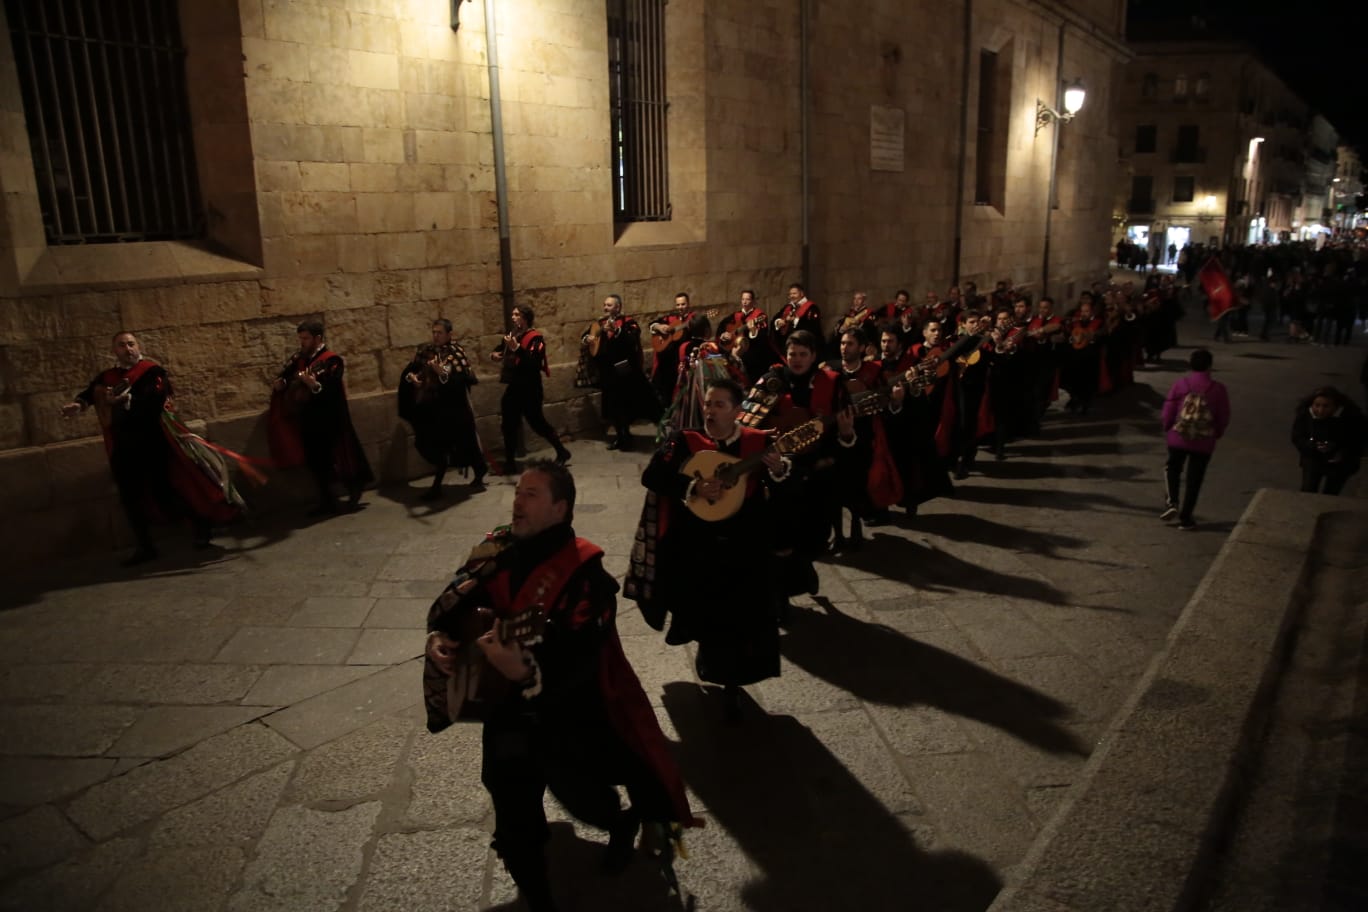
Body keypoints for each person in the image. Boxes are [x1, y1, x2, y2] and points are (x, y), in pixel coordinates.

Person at [423, 461, 697, 912]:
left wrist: (526, 674)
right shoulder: (496, 549)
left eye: (531, 494)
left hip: (569, 713)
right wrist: (441, 637)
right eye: (517, 492)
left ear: (559, 508)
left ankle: (619, 823)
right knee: (508, 799)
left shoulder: (587, 576)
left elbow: (580, 665)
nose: (517, 501)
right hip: (506, 712)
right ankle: (538, 895)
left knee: (583, 797)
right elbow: (454, 603)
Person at [638, 380, 788, 719]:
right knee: (711, 617)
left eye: (720, 405)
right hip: (699, 547)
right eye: (708, 404)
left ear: (738, 411)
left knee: (744, 619)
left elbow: (783, 492)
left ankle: (735, 685)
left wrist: (779, 472)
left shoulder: (758, 443)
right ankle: (717, 669)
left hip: (745, 546)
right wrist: (692, 485)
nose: (710, 410)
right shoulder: (686, 442)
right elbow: (652, 476)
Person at [62, 331, 242, 565]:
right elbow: (91, 393)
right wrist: (79, 404)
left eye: (131, 344)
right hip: (123, 447)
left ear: (138, 347)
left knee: (164, 494)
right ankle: (145, 546)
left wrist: (127, 401)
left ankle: (199, 524)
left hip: (152, 444)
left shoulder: (152, 372)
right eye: (121, 345)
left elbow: (155, 401)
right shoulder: (108, 376)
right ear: (114, 350)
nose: (127, 349)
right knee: (129, 498)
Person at [268, 321, 374, 516]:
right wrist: (281, 383)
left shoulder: (332, 360)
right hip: (308, 418)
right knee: (316, 461)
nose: (302, 342)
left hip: (331, 418)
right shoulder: (299, 358)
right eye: (300, 338)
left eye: (305, 338)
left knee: (343, 458)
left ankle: (354, 491)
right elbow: (286, 374)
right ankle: (327, 500)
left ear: (318, 338)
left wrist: (314, 385)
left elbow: (333, 387)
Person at [398, 318, 486, 500]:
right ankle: (441, 484)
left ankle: (476, 471)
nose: (436, 336)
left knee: (463, 442)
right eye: (434, 332)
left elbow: (459, 377)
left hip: (453, 408)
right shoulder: (426, 351)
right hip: (433, 408)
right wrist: (412, 379)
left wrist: (442, 373)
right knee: (435, 444)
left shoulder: (455, 353)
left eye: (440, 332)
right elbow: (412, 371)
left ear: (449, 334)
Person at [491, 304, 571, 474]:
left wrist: (517, 349)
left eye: (516, 314)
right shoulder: (512, 334)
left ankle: (562, 451)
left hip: (530, 388)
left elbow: (534, 363)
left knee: (537, 423)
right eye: (512, 314)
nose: (513, 317)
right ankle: (510, 462)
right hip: (514, 386)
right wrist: (495, 354)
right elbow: (500, 349)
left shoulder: (536, 338)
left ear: (525, 318)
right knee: (508, 424)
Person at [1160, 348, 1231, 530]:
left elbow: (1168, 410)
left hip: (1179, 436)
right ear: (1209, 366)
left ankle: (1172, 501)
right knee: (1195, 479)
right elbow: (1223, 416)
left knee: (1172, 468)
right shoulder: (1218, 389)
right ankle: (1186, 517)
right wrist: (1217, 433)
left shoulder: (1181, 384)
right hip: (1203, 440)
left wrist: (1168, 427)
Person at [581, 294, 658, 451]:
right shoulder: (600, 323)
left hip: (625, 371)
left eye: (609, 305)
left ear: (618, 307)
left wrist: (617, 331)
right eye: (604, 305)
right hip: (607, 371)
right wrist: (587, 339)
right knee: (612, 406)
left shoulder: (629, 323)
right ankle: (620, 436)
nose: (605, 308)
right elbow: (586, 336)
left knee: (626, 404)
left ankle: (629, 435)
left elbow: (632, 340)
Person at [1291, 386, 1364, 496]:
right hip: (1313, 457)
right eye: (1317, 405)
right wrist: (1311, 446)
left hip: (1340, 464)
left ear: (1336, 406)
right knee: (1308, 490)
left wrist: (1342, 453)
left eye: (1326, 406)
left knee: (1331, 493)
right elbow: (1297, 436)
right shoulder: (1305, 414)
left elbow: (1359, 441)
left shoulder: (1352, 418)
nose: (1320, 410)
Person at [648, 292, 694, 407]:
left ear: (688, 304)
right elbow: (652, 324)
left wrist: (693, 327)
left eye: (683, 304)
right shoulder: (670, 318)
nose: (680, 307)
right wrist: (659, 327)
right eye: (678, 305)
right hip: (667, 359)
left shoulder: (693, 318)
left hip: (683, 358)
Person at [770, 282, 821, 352]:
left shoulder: (811, 308)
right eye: (790, 294)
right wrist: (779, 322)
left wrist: (794, 321)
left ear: (802, 294)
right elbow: (774, 319)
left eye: (794, 293)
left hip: (804, 346)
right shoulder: (788, 307)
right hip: (787, 346)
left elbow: (813, 327)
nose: (791, 296)